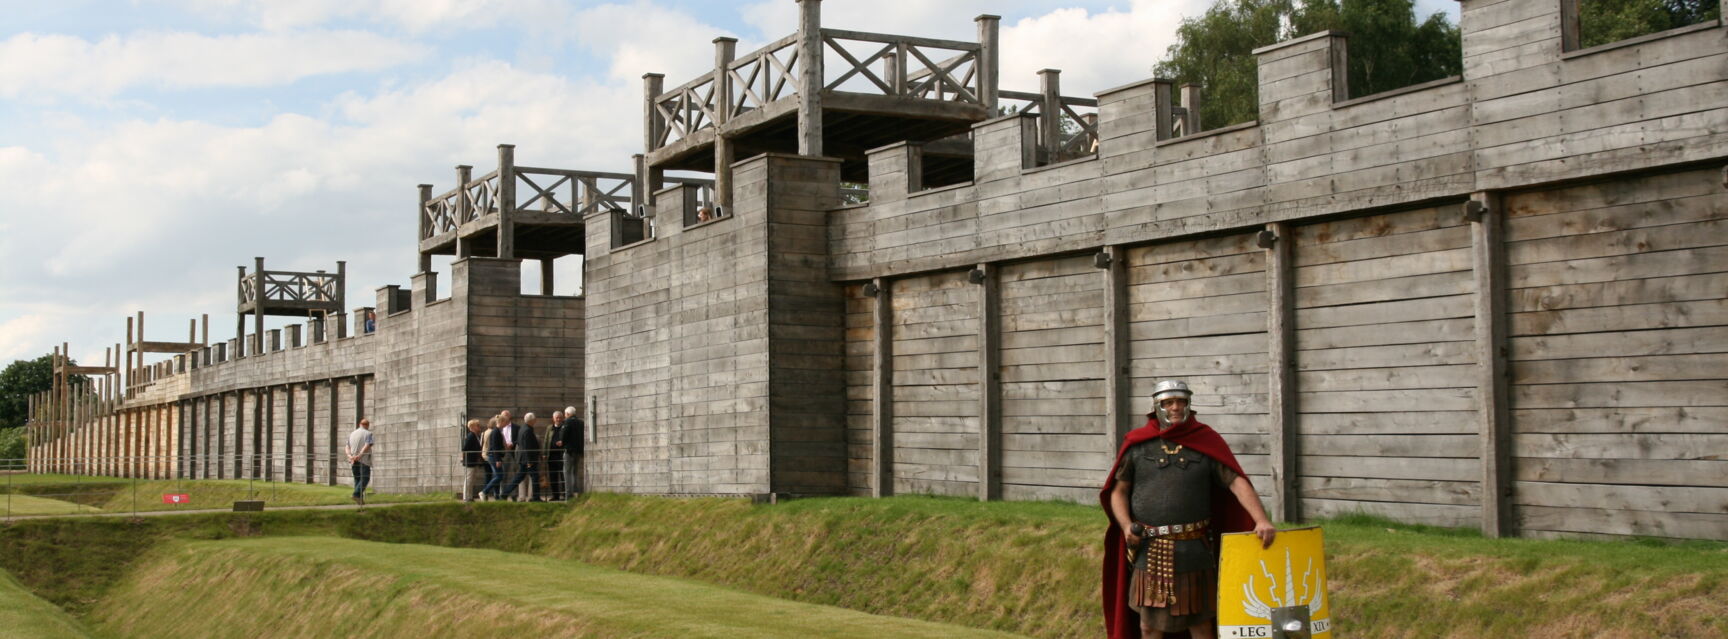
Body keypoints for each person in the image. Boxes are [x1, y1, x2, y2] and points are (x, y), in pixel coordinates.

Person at [1101, 380, 1276, 639]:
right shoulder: (1137, 444)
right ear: (1157, 406)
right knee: (1148, 627)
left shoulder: (1205, 440)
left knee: (1201, 624)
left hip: (1193, 548)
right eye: (1169, 402)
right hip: (1149, 550)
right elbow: (1119, 491)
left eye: (1181, 402)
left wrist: (1261, 520)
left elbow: (1237, 481)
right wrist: (1126, 525)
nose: (1175, 407)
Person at [500, 413, 540, 501]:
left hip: (523, 458)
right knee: (535, 477)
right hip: (527, 459)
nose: (536, 421)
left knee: (519, 477)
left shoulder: (523, 428)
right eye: (535, 419)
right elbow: (527, 446)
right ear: (532, 420)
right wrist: (529, 461)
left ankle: (505, 493)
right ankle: (536, 498)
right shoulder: (527, 430)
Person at [345, 418, 374, 506]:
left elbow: (347, 447)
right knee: (365, 478)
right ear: (367, 425)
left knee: (357, 479)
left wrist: (350, 456)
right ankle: (356, 494)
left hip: (353, 460)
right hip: (363, 460)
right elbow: (367, 445)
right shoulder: (368, 433)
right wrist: (360, 455)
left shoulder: (352, 434)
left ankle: (359, 499)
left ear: (359, 424)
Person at [560, 405, 585, 497]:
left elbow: (563, 436)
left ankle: (568, 494)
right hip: (578, 451)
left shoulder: (567, 422)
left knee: (567, 472)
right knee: (575, 472)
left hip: (569, 451)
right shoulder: (581, 423)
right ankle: (577, 492)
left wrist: (561, 442)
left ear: (567, 414)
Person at [480, 416, 506, 500]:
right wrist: (498, 459)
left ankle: (495, 495)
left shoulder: (497, 431)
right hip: (493, 457)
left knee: (497, 476)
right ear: (501, 422)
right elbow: (495, 447)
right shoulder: (496, 432)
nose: (506, 424)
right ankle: (484, 492)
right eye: (505, 422)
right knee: (499, 476)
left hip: (494, 456)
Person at [460, 419, 485, 502]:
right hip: (470, 461)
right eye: (477, 426)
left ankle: (469, 496)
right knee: (468, 479)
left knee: (471, 479)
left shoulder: (475, 436)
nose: (479, 427)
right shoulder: (471, 436)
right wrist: (463, 458)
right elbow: (465, 448)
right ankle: (466, 497)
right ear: (472, 427)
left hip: (473, 461)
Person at [545, 411, 567, 501]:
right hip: (552, 456)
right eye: (556, 417)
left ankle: (565, 494)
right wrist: (544, 453)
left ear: (562, 418)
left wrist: (563, 443)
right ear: (553, 418)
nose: (558, 419)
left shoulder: (565, 427)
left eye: (560, 417)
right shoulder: (549, 428)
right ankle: (555, 495)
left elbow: (568, 439)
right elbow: (546, 441)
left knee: (563, 476)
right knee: (553, 476)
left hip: (562, 455)